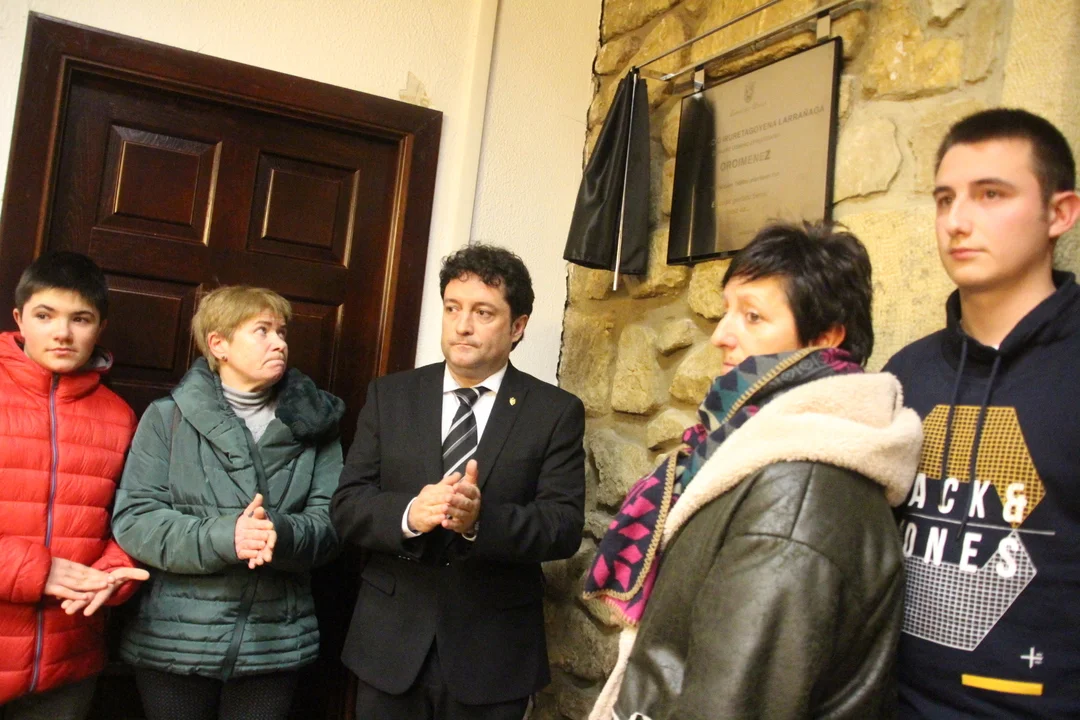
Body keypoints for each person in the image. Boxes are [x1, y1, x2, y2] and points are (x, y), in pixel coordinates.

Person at [586, 222, 924, 720]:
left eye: (753, 316)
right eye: (727, 311)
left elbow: (734, 702)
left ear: (826, 338)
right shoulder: (748, 449)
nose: (721, 336)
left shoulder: (799, 492)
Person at [331, 244, 586, 720]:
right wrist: (409, 513)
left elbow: (563, 526)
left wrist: (478, 521)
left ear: (517, 327)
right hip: (389, 647)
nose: (462, 325)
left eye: (483, 312)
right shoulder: (391, 395)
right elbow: (347, 505)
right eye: (453, 308)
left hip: (493, 655)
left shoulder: (554, 412)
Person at [884, 109, 1080, 717]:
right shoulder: (906, 372)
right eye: (945, 199)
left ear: (1060, 213)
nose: (957, 221)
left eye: (991, 194)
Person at [110, 286, 343, 720]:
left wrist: (280, 534)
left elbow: (333, 525)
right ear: (219, 344)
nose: (279, 343)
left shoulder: (317, 425)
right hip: (174, 641)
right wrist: (227, 536)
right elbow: (135, 520)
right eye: (262, 331)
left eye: (282, 332)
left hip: (273, 645)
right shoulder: (167, 417)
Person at [0, 252, 148, 719]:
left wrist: (114, 572)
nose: (62, 333)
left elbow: (132, 518)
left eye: (80, 319)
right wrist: (32, 571)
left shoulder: (121, 417)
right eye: (45, 316)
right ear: (20, 319)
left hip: (69, 663)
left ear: (100, 327)